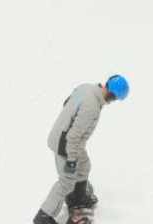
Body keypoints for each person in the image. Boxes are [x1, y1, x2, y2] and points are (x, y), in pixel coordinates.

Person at [33, 75, 130, 224]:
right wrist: (71, 161)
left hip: (65, 138)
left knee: (84, 165)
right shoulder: (92, 108)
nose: (112, 102)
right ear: (112, 96)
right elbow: (73, 136)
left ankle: (77, 198)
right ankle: (43, 216)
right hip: (64, 144)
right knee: (66, 181)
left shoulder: (85, 88)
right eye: (115, 99)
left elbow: (66, 102)